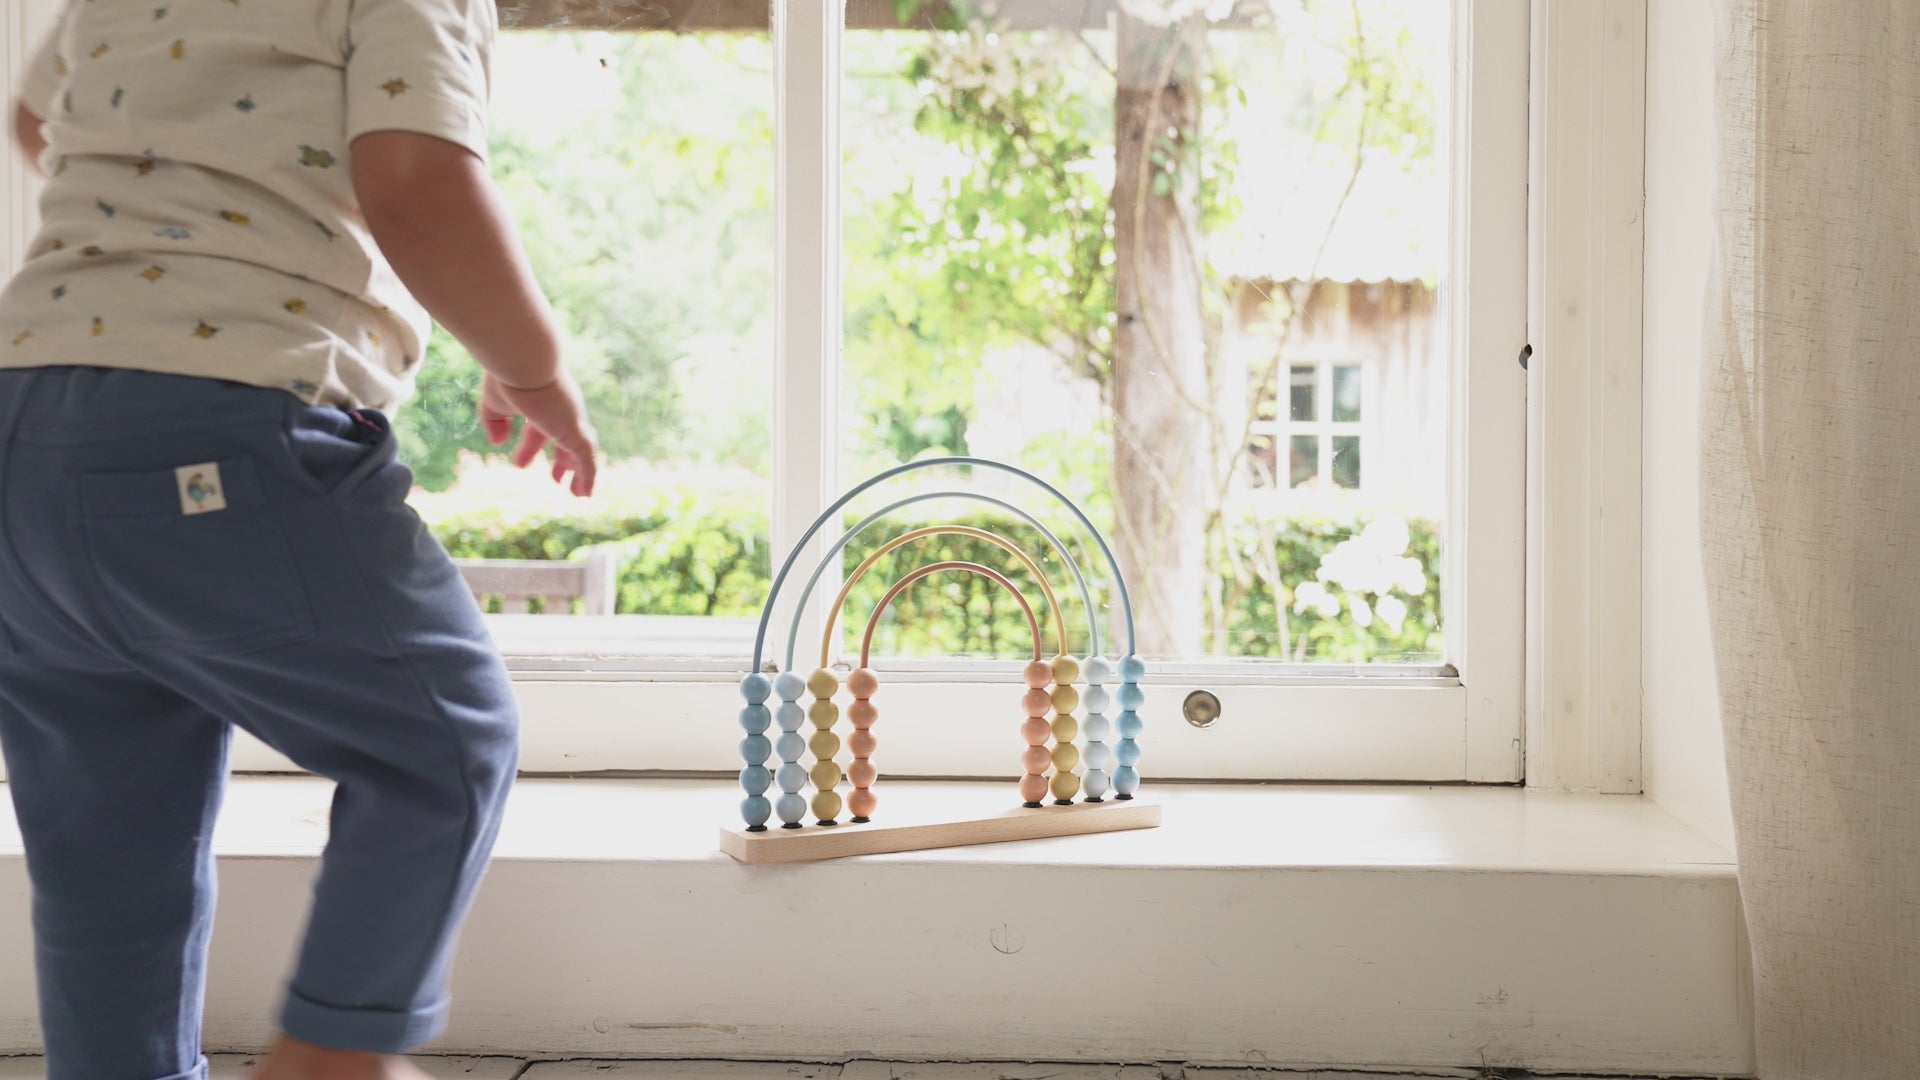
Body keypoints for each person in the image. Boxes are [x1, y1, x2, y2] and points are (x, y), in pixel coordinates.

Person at [0, 1, 598, 1077]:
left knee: (105, 846)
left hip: (19, 436)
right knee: (446, 742)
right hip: (223, 428)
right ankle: (334, 1055)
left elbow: (38, 121)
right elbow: (414, 186)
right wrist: (531, 365)